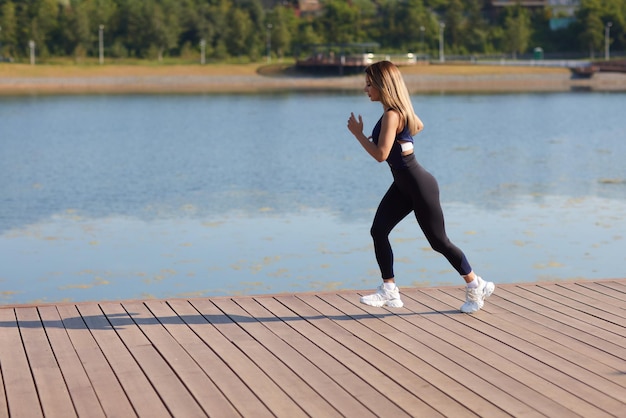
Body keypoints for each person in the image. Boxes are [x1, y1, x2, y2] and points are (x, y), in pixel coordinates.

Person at [346, 60, 494, 313]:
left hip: (419, 185)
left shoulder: (393, 114)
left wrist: (359, 134)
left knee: (439, 242)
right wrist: (397, 142)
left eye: (369, 84)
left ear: (383, 86)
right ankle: (390, 291)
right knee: (378, 230)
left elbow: (381, 155)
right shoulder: (395, 112)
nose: (365, 89)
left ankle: (475, 284)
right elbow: (418, 126)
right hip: (403, 185)